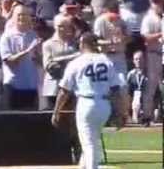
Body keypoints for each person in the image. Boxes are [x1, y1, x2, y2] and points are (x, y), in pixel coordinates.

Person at [52, 31, 128, 169]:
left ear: (82, 44)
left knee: (88, 143)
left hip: (86, 103)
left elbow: (64, 91)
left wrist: (56, 110)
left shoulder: (77, 62)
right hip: (104, 104)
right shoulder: (106, 61)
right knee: (92, 139)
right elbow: (116, 90)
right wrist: (122, 112)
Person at [127, 50, 148, 124]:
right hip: (135, 102)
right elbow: (128, 92)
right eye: (136, 59)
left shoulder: (150, 73)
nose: (138, 61)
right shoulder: (131, 74)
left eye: (140, 59)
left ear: (144, 60)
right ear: (133, 61)